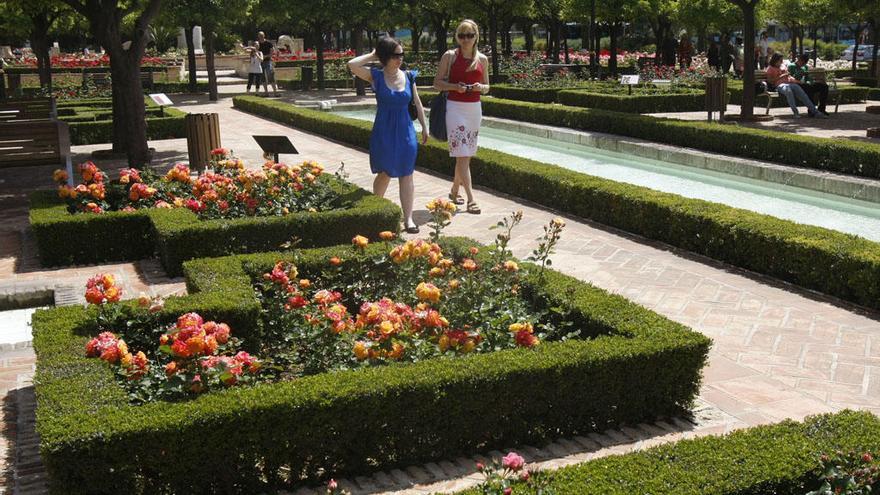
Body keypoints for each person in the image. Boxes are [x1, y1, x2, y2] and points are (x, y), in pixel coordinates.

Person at [349, 37, 428, 234]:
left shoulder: (409, 76)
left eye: (401, 54)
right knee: (384, 173)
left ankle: (408, 219)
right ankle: (376, 212)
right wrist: (374, 54)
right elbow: (352, 64)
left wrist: (425, 127)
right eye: (394, 55)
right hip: (383, 131)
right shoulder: (375, 76)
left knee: (406, 174)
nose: (399, 59)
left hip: (406, 132)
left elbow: (417, 103)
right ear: (385, 57)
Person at [433, 19, 490, 215]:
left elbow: (487, 86)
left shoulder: (482, 59)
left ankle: (454, 190)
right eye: (462, 35)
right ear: (457, 37)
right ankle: (471, 200)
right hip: (455, 109)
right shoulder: (449, 56)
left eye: (469, 35)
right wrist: (454, 87)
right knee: (463, 154)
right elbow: (437, 83)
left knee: (465, 154)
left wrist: (480, 87)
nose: (465, 39)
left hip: (474, 109)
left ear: (476, 37)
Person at [766, 53, 827, 118]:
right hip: (780, 85)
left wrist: (798, 82)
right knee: (788, 91)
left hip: (790, 83)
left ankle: (815, 112)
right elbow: (770, 81)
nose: (781, 62)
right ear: (775, 60)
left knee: (804, 96)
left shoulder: (783, 66)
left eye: (782, 60)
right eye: (780, 60)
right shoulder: (770, 68)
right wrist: (781, 76)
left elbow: (789, 77)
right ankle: (795, 113)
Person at [257, 32, 279, 96]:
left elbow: (272, 52)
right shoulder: (257, 44)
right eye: (260, 35)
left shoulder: (268, 43)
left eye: (262, 35)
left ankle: (275, 92)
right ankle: (266, 92)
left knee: (271, 76)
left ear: (264, 35)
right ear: (258, 36)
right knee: (263, 77)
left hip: (268, 61)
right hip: (260, 62)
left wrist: (266, 56)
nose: (261, 36)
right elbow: (254, 51)